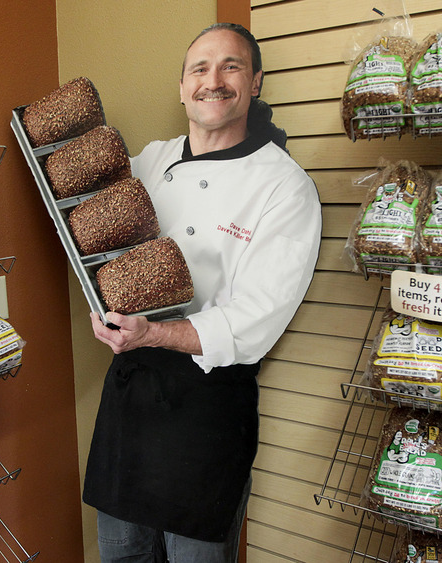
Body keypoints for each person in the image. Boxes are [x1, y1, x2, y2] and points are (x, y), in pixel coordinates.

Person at [82, 22, 322, 562]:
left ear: (255, 82)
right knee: (121, 557)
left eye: (230, 66)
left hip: (209, 408)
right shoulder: (148, 162)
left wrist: (155, 331)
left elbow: (257, 318)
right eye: (199, 68)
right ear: (182, 86)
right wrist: (103, 310)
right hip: (130, 395)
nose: (213, 81)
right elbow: (100, 251)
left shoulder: (284, 186)